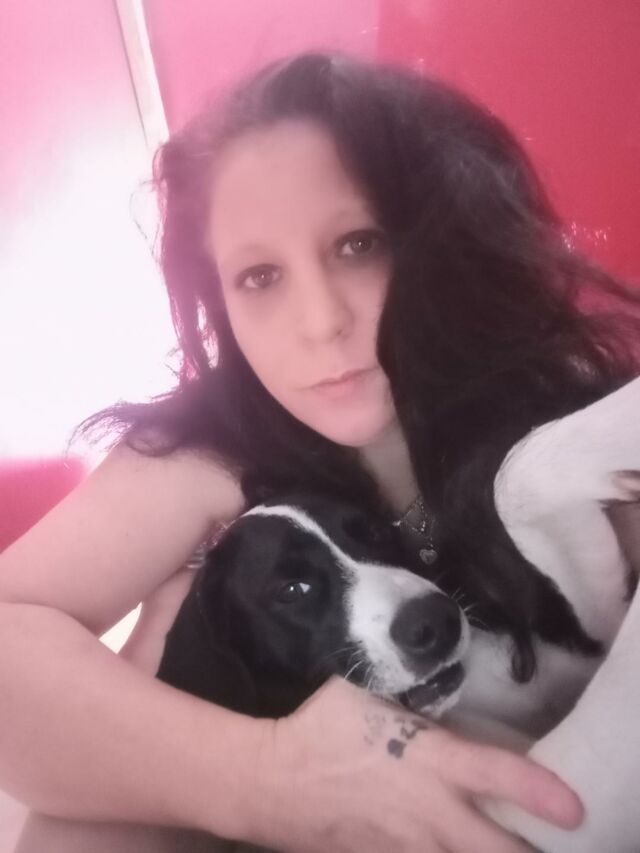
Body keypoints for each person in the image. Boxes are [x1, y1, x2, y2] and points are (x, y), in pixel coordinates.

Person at [1, 51, 639, 853]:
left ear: (439, 237)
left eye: (357, 244)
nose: (320, 321)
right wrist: (270, 778)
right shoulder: (211, 449)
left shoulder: (559, 409)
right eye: (259, 276)